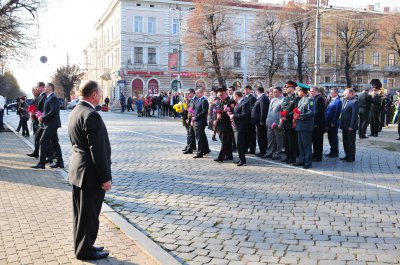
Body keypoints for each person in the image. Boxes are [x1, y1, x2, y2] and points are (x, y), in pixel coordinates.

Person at [67, 80, 112, 260]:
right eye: (100, 92)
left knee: (80, 214)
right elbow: (98, 151)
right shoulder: (91, 115)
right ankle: (85, 251)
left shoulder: (76, 111)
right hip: (90, 174)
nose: (101, 95)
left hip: (78, 171)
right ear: (93, 94)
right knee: (89, 215)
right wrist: (106, 178)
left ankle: (84, 245)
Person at [31, 83, 64, 169]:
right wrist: (40, 115)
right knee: (55, 143)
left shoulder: (53, 98)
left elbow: (53, 111)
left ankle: (42, 163)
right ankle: (60, 162)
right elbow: (47, 110)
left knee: (43, 141)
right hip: (48, 123)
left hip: (51, 124)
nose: (44, 88)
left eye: (45, 87)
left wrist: (43, 117)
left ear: (50, 88)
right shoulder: (48, 97)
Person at [293, 85, 315, 169]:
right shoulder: (301, 100)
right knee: (300, 145)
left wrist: (299, 116)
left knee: (306, 145)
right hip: (300, 125)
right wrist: (295, 117)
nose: (297, 92)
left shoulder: (310, 100)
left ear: (302, 91)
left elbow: (311, 112)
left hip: (306, 125)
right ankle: (301, 160)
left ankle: (308, 162)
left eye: (298, 90)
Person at [281, 81, 300, 164]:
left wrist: (286, 117)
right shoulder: (286, 98)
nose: (285, 88)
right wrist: (282, 116)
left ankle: (292, 157)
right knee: (286, 141)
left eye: (287, 87)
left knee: (292, 141)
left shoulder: (296, 98)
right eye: (285, 87)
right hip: (285, 123)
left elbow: (295, 110)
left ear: (292, 88)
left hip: (291, 122)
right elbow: (283, 109)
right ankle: (288, 155)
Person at [27, 82, 47, 159]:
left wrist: (36, 113)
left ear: (42, 87)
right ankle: (36, 152)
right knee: (37, 137)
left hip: (40, 119)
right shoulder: (38, 97)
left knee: (42, 138)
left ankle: (49, 156)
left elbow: (42, 108)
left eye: (35, 89)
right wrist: (32, 112)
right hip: (36, 118)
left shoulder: (44, 96)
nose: (34, 91)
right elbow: (34, 106)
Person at [229, 91, 249, 166]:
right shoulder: (238, 103)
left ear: (236, 96)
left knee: (240, 143)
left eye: (234, 96)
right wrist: (232, 115)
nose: (233, 98)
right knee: (238, 144)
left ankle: (242, 160)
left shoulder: (244, 103)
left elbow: (244, 115)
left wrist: (234, 116)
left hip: (241, 127)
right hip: (236, 126)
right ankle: (241, 158)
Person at [214, 87, 234, 162]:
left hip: (227, 124)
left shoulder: (230, 101)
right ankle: (229, 155)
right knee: (226, 141)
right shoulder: (220, 101)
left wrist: (221, 116)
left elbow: (231, 112)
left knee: (224, 141)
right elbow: (217, 110)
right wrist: (215, 118)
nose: (220, 97)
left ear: (225, 94)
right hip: (220, 124)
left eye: (221, 95)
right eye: (219, 96)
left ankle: (221, 157)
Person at [264, 87, 284, 160]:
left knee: (278, 138)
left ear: (280, 92)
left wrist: (280, 123)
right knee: (270, 138)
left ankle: (278, 153)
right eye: (273, 92)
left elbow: (282, 112)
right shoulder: (272, 100)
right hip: (270, 121)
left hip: (277, 123)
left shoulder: (283, 100)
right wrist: (267, 119)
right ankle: (269, 152)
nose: (273, 93)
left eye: (275, 92)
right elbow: (269, 111)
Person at [340, 88, 359, 162]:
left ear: (351, 94)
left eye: (346, 93)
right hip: (344, 125)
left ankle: (351, 156)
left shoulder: (354, 102)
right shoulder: (344, 100)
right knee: (345, 141)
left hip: (350, 126)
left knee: (351, 142)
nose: (344, 94)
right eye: (344, 93)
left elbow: (354, 115)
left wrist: (351, 126)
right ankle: (347, 155)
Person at [251, 87, 269, 157]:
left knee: (262, 137)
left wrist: (262, 120)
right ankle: (261, 150)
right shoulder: (260, 98)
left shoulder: (263, 98)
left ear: (257, 91)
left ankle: (263, 151)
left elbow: (263, 110)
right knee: (260, 136)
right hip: (258, 121)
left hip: (260, 122)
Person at [193, 88, 210, 158]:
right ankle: (205, 150)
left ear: (201, 93)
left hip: (201, 121)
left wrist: (196, 117)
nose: (196, 94)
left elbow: (204, 112)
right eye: (196, 93)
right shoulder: (198, 100)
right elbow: (196, 110)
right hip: (197, 121)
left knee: (199, 137)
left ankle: (200, 153)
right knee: (201, 136)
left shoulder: (204, 101)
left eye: (197, 93)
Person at [325, 88, 342, 158]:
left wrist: (333, 122)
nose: (331, 94)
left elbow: (337, 113)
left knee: (334, 138)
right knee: (330, 138)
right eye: (330, 92)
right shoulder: (331, 100)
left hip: (333, 123)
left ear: (336, 93)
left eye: (333, 92)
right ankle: (332, 151)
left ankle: (335, 152)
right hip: (329, 122)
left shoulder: (338, 101)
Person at [309, 86, 325, 162]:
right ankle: (315, 154)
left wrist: (315, 122)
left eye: (312, 91)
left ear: (317, 91)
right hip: (313, 123)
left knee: (318, 141)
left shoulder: (319, 99)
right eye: (310, 91)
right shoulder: (313, 99)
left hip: (318, 124)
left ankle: (318, 156)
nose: (310, 93)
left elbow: (318, 112)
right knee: (314, 140)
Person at [183, 89, 197, 154]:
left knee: (191, 134)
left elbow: (194, 110)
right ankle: (190, 147)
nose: (188, 95)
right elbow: (189, 110)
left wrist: (191, 118)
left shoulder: (195, 100)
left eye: (188, 94)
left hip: (193, 119)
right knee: (189, 134)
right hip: (189, 119)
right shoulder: (191, 100)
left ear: (192, 93)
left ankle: (190, 148)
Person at [243, 85, 256, 154]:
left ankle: (252, 149)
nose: (246, 91)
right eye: (245, 89)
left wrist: (245, 112)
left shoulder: (252, 98)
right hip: (245, 119)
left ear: (250, 90)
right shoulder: (244, 97)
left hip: (250, 119)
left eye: (247, 89)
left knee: (251, 135)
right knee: (246, 135)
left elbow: (252, 108)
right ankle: (246, 148)